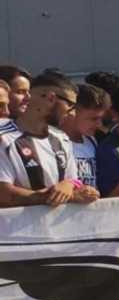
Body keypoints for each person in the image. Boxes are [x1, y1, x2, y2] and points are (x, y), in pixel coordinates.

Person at [0, 73, 99, 207]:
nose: (72, 113)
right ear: (51, 98)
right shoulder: (4, 137)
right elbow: (4, 193)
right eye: (71, 105)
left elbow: (73, 181)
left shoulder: (61, 138)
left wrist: (78, 189)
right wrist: (54, 196)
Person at [59, 83, 110, 191]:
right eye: (93, 119)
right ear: (72, 112)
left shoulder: (91, 141)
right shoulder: (55, 142)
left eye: (101, 118)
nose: (99, 124)